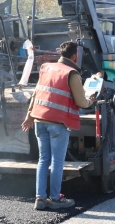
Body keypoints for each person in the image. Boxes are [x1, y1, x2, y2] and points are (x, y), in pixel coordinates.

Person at [21, 41, 96, 210]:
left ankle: (40, 199)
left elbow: (36, 94)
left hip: (39, 120)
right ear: (74, 56)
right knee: (57, 162)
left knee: (43, 160)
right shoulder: (72, 73)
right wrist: (91, 100)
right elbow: (81, 102)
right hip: (58, 124)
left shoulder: (46, 68)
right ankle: (55, 198)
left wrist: (29, 117)